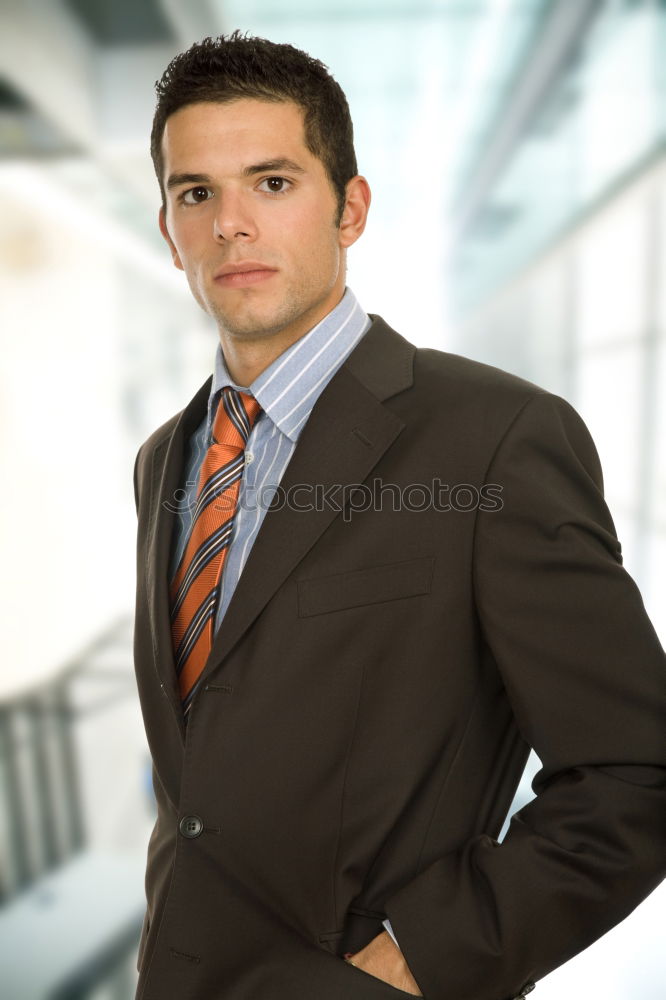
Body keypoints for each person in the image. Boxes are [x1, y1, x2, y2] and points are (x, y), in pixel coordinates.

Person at [131, 31, 666, 1000]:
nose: (231, 226)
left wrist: (421, 960)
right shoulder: (163, 459)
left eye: (274, 182)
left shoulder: (496, 437)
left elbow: (636, 775)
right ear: (168, 228)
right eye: (196, 192)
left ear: (351, 208)